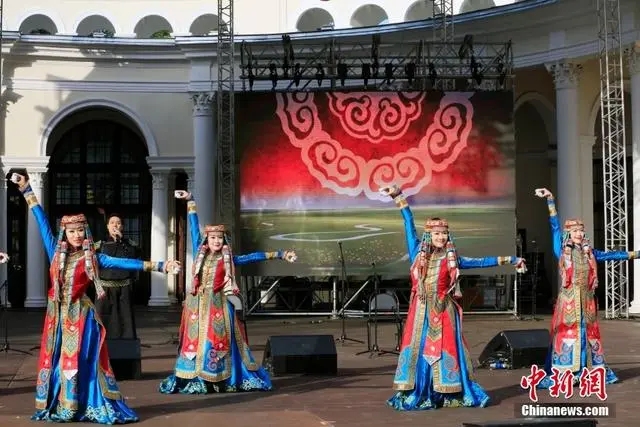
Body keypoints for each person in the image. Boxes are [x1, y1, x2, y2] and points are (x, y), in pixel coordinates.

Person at [10, 172, 181, 424]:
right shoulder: (55, 252)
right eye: (72, 231)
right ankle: (61, 402)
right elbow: (42, 221)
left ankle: (82, 403)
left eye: (81, 230)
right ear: (65, 234)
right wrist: (26, 190)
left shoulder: (94, 257)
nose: (77, 235)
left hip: (80, 316)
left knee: (82, 361)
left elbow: (126, 262)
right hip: (57, 316)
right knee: (57, 359)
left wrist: (160, 265)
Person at [379, 185, 526, 411]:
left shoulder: (452, 258)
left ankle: (447, 392)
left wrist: (511, 259)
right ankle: (421, 391)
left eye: (444, 233)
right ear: (429, 235)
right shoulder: (417, 251)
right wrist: (398, 196)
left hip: (444, 310)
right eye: (437, 233)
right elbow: (408, 221)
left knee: (446, 350)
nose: (441, 237)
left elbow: (480, 262)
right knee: (420, 350)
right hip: (420, 311)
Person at [159, 190, 298, 395]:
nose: (216, 241)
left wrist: (280, 254)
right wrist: (191, 201)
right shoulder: (200, 251)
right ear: (207, 239)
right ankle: (196, 378)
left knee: (217, 342)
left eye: (220, 238)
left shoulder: (229, 258)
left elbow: (253, 257)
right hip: (196, 305)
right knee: (194, 343)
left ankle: (219, 379)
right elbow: (193, 227)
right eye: (213, 237)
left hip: (219, 306)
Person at [534, 187, 633, 388]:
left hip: (587, 300)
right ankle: (565, 373)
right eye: (575, 231)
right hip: (569, 300)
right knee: (568, 333)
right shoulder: (561, 249)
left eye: (581, 230)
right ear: (568, 233)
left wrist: (635, 254)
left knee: (590, 334)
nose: (579, 233)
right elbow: (554, 226)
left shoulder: (590, 252)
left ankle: (591, 371)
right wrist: (550, 200)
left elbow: (611, 255)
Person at [94, 214, 140, 340]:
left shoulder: (129, 244)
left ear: (122, 227)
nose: (115, 225)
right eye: (112, 222)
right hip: (105, 289)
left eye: (118, 223)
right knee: (102, 319)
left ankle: (126, 352)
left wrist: (121, 241)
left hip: (124, 289)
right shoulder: (99, 245)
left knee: (125, 320)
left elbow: (132, 260)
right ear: (108, 226)